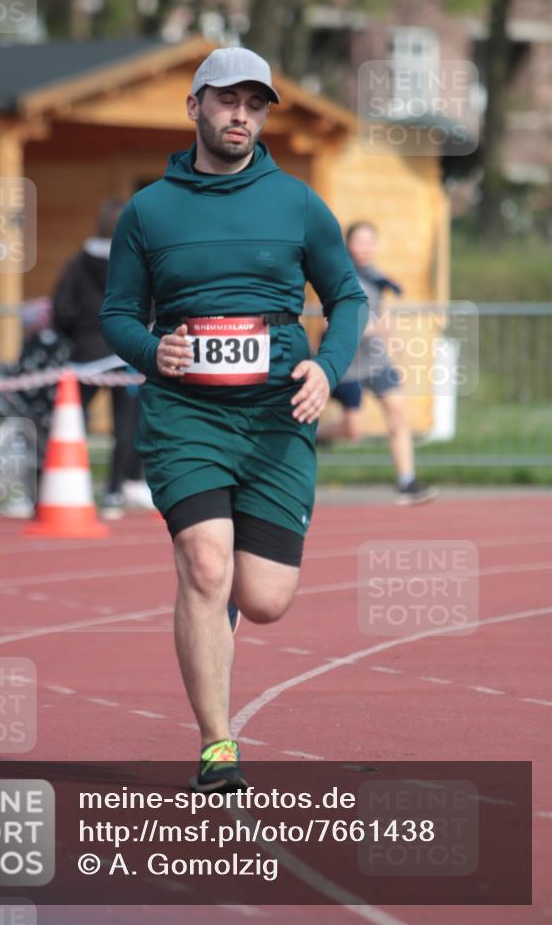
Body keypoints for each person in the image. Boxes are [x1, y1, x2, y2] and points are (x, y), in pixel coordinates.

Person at [99, 46, 367, 791]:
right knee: (204, 563)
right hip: (186, 413)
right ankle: (217, 747)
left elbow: (346, 296)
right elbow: (117, 313)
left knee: (264, 599)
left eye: (254, 103)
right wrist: (156, 355)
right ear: (194, 107)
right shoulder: (147, 210)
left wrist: (327, 365)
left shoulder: (298, 203)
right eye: (226, 100)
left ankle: (219, 614)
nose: (240, 114)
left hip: (276, 413)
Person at [52, 200, 153, 517]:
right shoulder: (136, 262)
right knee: (126, 425)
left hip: (86, 352)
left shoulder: (77, 262)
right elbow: (151, 304)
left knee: (70, 421)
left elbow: (60, 306)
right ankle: (114, 491)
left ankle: (62, 486)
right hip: (125, 351)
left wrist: (77, 334)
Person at [327, 221, 438, 506]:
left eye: (370, 241)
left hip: (377, 361)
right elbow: (342, 323)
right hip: (348, 362)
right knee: (353, 431)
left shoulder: (378, 279)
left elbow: (382, 315)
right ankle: (312, 435)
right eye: (359, 242)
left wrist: (394, 342)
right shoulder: (341, 278)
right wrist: (371, 329)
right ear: (348, 245)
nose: (365, 247)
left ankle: (407, 482)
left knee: (398, 414)